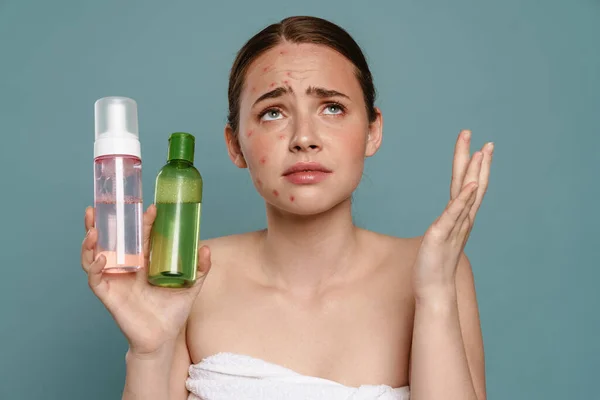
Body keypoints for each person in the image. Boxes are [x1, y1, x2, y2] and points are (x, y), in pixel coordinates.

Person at [81, 15, 492, 400]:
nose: (304, 138)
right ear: (235, 144)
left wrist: (436, 293)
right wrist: (149, 352)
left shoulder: (439, 270)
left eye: (332, 107)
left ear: (372, 130)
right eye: (273, 112)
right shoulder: (187, 275)